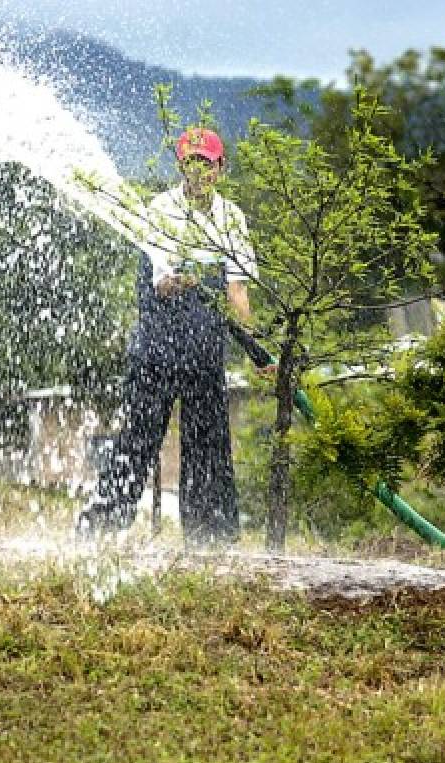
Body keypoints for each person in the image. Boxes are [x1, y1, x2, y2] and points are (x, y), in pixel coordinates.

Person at [78, 128, 258, 544]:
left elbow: (237, 292)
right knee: (138, 438)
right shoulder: (160, 210)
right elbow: (159, 282)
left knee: (208, 445)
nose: (199, 171)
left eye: (206, 163)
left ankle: (211, 539)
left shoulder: (232, 218)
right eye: (191, 163)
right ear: (181, 167)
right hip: (157, 349)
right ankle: (101, 530)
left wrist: (256, 351)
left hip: (204, 351)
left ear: (220, 168)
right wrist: (177, 281)